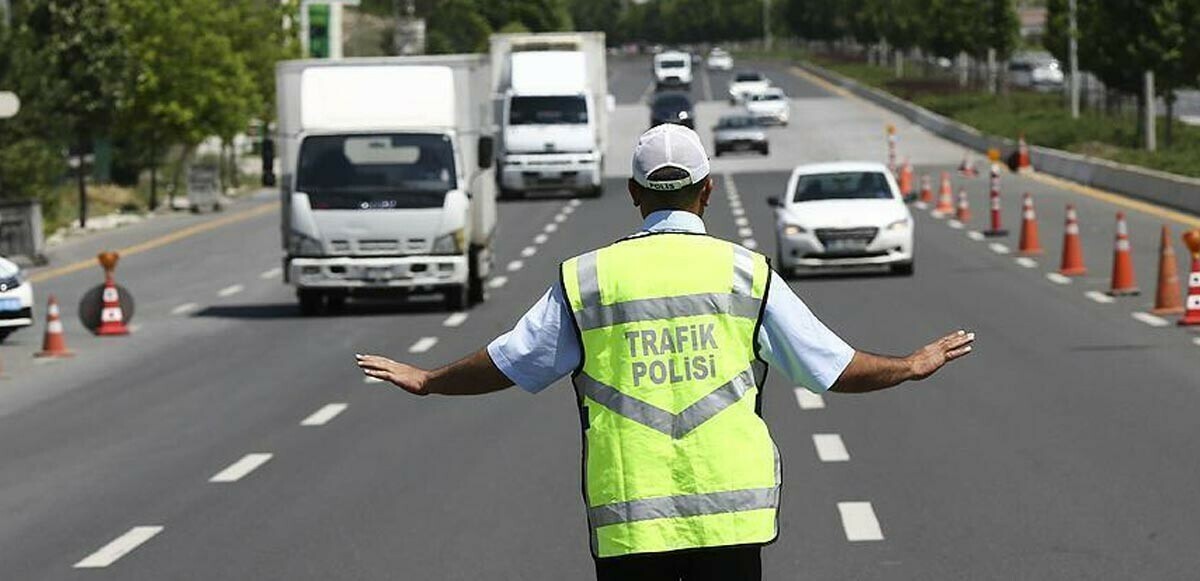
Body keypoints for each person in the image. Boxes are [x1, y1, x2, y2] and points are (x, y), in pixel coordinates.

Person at [356, 124, 975, 581]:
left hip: (631, 525)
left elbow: (512, 361)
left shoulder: (589, 278)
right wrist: (911, 366)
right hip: (732, 520)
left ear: (633, 193)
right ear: (707, 191)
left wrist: (430, 378)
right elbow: (831, 367)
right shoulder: (744, 273)